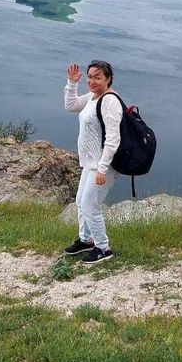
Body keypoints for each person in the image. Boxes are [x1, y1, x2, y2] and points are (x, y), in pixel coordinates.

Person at [63, 60, 122, 264]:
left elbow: (113, 139)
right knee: (81, 202)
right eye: (90, 76)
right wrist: (72, 83)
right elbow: (70, 106)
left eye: (98, 77)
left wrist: (102, 169)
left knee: (90, 205)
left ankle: (103, 248)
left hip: (103, 166)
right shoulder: (92, 97)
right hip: (90, 163)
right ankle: (86, 240)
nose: (92, 81)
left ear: (108, 79)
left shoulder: (110, 102)